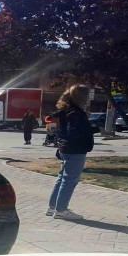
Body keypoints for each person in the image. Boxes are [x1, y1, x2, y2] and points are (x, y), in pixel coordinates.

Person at [46, 84, 94, 220]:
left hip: (66, 148)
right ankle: (61, 209)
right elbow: (76, 132)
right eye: (88, 96)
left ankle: (53, 207)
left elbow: (65, 131)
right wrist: (92, 130)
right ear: (82, 97)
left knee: (62, 177)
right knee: (70, 179)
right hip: (75, 149)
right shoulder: (76, 113)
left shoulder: (66, 111)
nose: (89, 99)